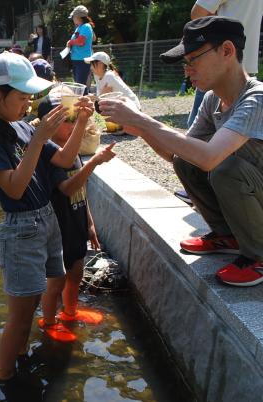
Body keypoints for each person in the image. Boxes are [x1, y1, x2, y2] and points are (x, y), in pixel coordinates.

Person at [99, 16, 263, 287]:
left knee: (225, 169)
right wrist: (140, 127)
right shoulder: (213, 99)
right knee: (188, 163)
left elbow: (209, 158)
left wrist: (143, 120)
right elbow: (179, 157)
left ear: (227, 51)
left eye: (193, 60)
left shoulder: (256, 98)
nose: (187, 71)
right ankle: (229, 236)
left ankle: (258, 255)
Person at [0, 51, 94, 397]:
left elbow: (64, 160)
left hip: (46, 221)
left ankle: (24, 358)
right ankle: (7, 378)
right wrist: (39, 139)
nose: (28, 104)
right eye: (22, 96)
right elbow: (13, 187)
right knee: (20, 315)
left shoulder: (23, 126)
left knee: (42, 295)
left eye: (30, 97)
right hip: (22, 228)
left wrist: (81, 122)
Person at [38, 93, 115, 324]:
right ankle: (49, 323)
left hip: (76, 224)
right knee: (56, 282)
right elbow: (68, 188)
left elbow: (82, 190)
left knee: (76, 274)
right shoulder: (48, 153)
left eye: (75, 119)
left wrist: (89, 222)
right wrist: (94, 162)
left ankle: (70, 313)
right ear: (48, 122)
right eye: (67, 119)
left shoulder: (73, 151)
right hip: (58, 230)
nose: (73, 125)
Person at [187, 0, 263, 127]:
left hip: (217, 65)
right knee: (242, 134)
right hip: (245, 66)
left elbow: (197, 14)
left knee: (199, 133)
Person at [67, 5, 95, 93]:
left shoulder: (86, 26)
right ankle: (84, 104)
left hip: (82, 60)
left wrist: (70, 42)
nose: (72, 19)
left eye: (74, 17)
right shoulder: (79, 27)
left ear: (79, 17)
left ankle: (85, 104)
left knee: (80, 87)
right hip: (76, 60)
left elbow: (81, 41)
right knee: (79, 86)